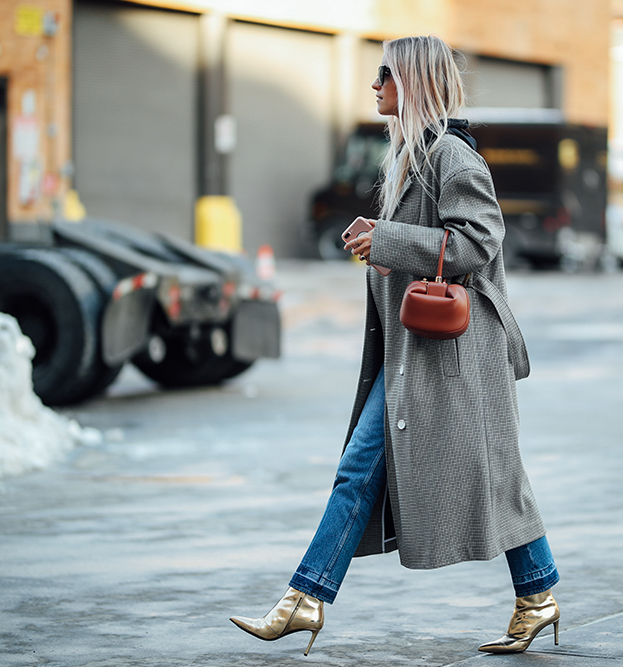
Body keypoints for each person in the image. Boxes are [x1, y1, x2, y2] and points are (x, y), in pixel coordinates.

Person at [229, 34, 560, 656]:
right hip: (423, 349)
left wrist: (386, 241)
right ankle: (537, 594)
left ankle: (305, 599)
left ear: (412, 82)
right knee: (483, 471)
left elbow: (476, 245)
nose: (373, 84)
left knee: (424, 468)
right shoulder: (413, 156)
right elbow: (430, 241)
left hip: (459, 351)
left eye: (385, 73)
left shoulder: (453, 158)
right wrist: (381, 244)